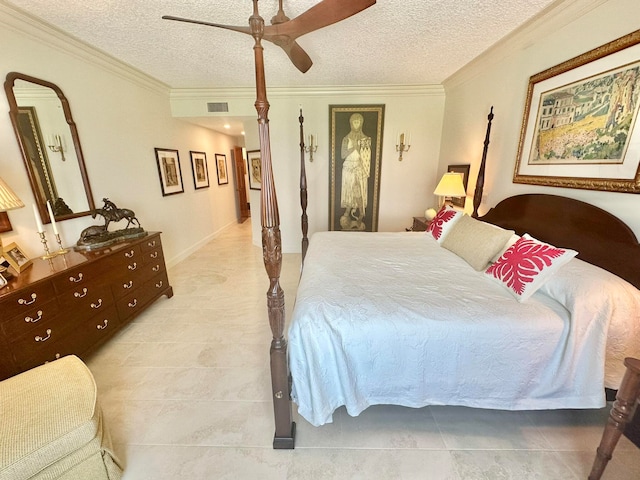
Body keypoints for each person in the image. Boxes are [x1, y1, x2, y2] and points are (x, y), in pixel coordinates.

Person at [340, 113, 371, 230]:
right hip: (348, 167)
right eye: (354, 122)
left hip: (359, 167)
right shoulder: (346, 139)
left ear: (361, 123)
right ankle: (347, 213)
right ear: (351, 123)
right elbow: (343, 155)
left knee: (359, 190)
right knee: (349, 190)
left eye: (358, 122)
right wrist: (354, 147)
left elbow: (366, 157)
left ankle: (360, 215)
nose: (356, 124)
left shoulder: (365, 139)